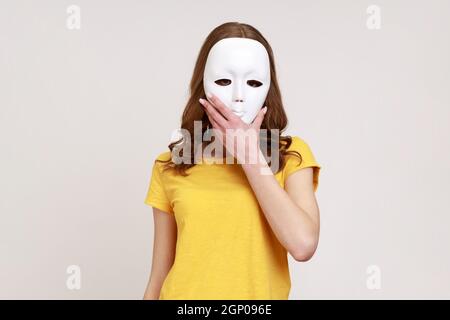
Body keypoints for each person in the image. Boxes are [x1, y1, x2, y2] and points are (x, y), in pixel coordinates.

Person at [143, 22, 321, 300]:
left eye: (253, 82)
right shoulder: (172, 164)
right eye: (224, 80)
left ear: (268, 88)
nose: (239, 95)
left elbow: (303, 245)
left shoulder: (290, 156)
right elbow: (158, 278)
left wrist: (250, 156)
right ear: (203, 83)